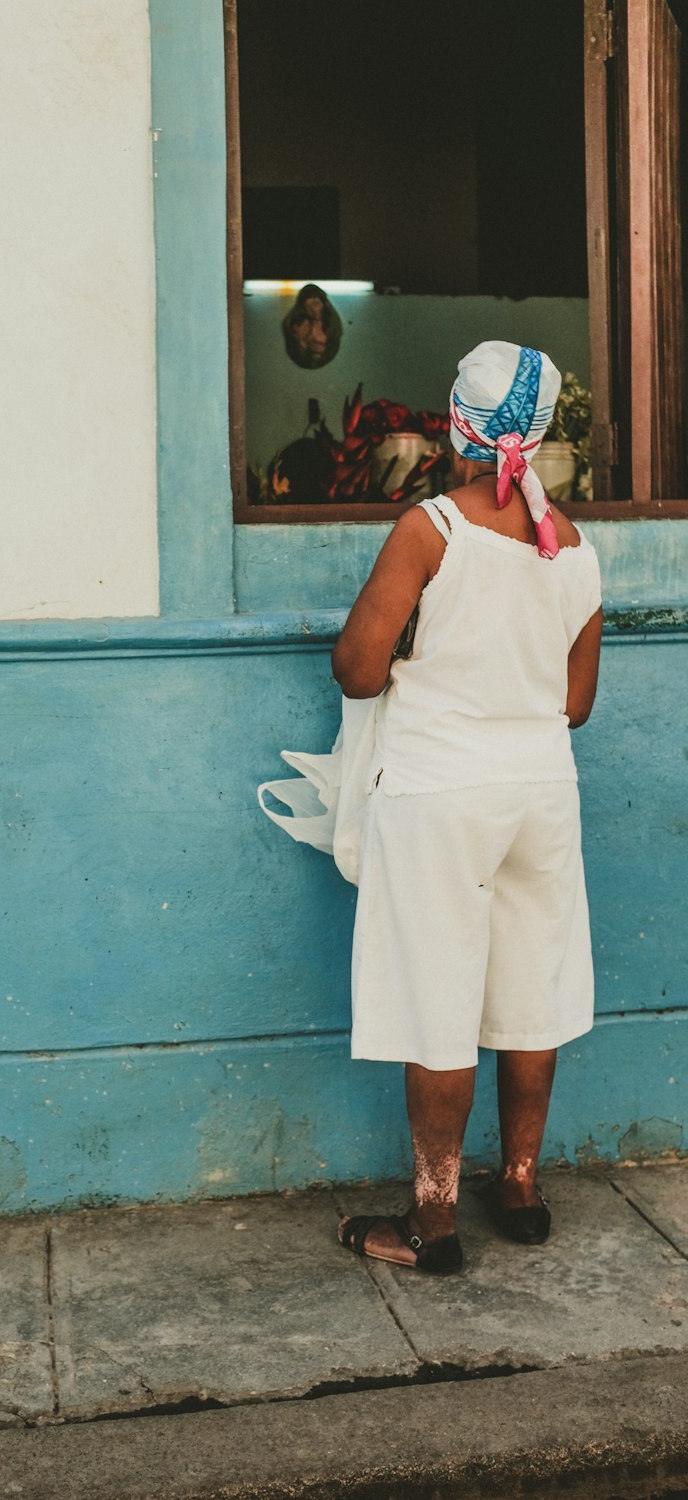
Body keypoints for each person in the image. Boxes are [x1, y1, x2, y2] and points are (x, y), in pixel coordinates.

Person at [330, 341, 603, 1274]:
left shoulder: (430, 529)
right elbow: (575, 704)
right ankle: (520, 1189)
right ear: (538, 432)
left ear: (460, 422)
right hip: (541, 794)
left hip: (441, 795)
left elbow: (359, 671)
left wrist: (411, 645)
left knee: (438, 1000)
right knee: (531, 993)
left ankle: (432, 1224)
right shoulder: (571, 548)